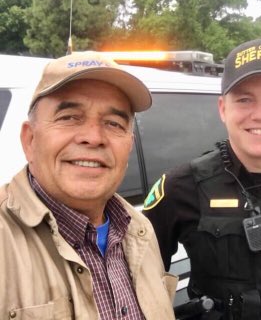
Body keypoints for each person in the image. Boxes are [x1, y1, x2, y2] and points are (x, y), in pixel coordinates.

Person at [142, 39, 261, 320]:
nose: (260, 114)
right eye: (244, 99)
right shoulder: (179, 188)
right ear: (223, 108)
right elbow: (138, 291)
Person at [0, 52, 174, 319]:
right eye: (69, 117)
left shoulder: (140, 231)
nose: (94, 137)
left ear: (129, 144)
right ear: (30, 140)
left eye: (113, 123)